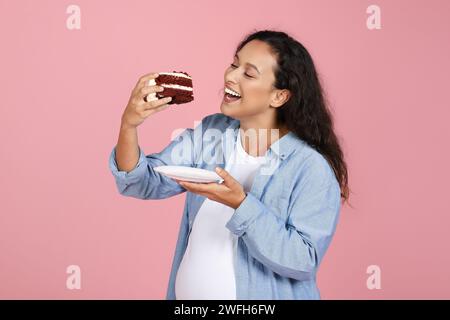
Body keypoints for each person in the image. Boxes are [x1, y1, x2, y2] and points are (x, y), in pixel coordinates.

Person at [109, 29, 350, 300]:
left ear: (279, 97)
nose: (230, 76)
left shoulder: (309, 166)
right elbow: (141, 182)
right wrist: (129, 124)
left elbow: (302, 260)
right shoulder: (211, 133)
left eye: (248, 73)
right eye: (234, 64)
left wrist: (241, 204)